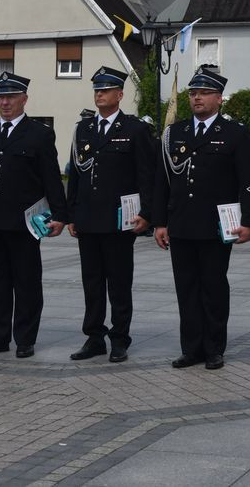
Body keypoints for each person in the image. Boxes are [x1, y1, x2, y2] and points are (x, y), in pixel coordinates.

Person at [152, 67, 250, 370]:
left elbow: (249, 182)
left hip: (216, 226)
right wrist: (160, 222)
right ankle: (191, 348)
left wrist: (249, 222)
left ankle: (214, 347)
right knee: (185, 289)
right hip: (182, 224)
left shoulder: (234, 133)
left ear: (219, 98)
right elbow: (162, 181)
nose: (197, 97)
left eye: (204, 93)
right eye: (193, 93)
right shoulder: (175, 132)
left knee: (213, 288)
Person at [0, 72, 68, 358]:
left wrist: (59, 214)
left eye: (10, 97)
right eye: (1, 96)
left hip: (24, 224)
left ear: (24, 99)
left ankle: (25, 338)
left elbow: (51, 178)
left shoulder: (39, 133)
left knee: (26, 283)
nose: (5, 102)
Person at [66, 67, 155, 363]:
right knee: (91, 281)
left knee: (118, 282)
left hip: (120, 219)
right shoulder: (84, 129)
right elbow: (76, 174)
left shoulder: (135, 130)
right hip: (88, 218)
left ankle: (119, 338)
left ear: (120, 94)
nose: (99, 94)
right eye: (97, 90)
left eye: (106, 90)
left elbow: (146, 176)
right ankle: (94, 337)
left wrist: (146, 213)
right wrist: (71, 214)